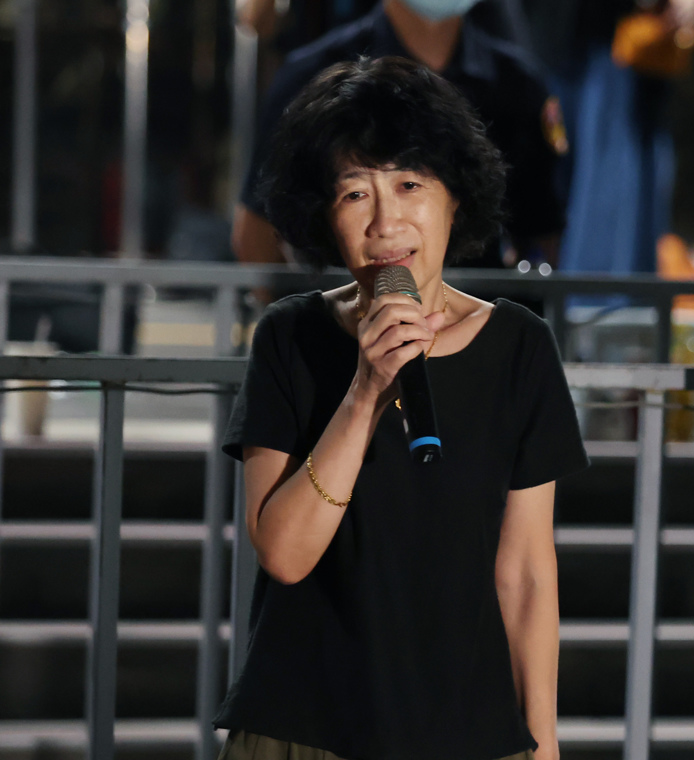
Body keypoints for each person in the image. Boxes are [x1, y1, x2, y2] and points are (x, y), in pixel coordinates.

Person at [217, 57, 588, 760]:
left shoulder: (519, 347)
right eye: (355, 193)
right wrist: (365, 392)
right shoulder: (290, 337)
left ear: (455, 198)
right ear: (326, 216)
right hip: (304, 731)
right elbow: (284, 554)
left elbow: (526, 574)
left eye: (410, 185)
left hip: (467, 733)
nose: (386, 222)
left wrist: (543, 741)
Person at [232, 0, 568, 270]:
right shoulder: (312, 77)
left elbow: (543, 233)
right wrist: (307, 321)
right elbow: (257, 233)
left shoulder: (518, 85)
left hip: (476, 314)